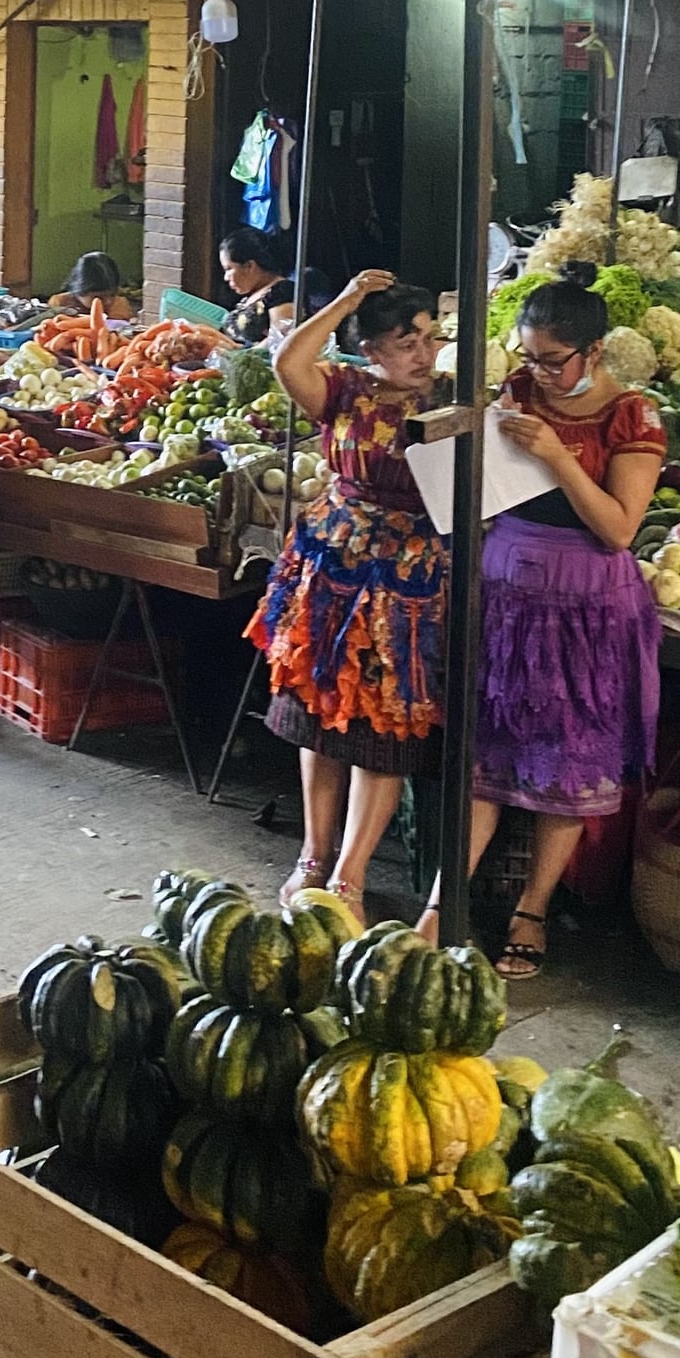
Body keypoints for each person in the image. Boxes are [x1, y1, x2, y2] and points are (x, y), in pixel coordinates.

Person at [427, 260, 665, 975]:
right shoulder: (522, 390)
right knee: (484, 749)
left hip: (586, 601)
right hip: (507, 588)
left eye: (554, 361)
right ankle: (445, 901)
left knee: (566, 759)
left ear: (595, 352)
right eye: (529, 357)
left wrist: (560, 456)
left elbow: (619, 527)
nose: (539, 373)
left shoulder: (635, 415)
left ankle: (533, 907)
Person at [249, 271, 446, 918]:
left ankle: (350, 875)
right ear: (372, 352)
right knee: (321, 716)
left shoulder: (452, 403)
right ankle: (313, 852)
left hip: (408, 589)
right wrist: (348, 300)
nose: (425, 352)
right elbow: (287, 359)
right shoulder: (345, 390)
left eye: (430, 336)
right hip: (331, 571)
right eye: (406, 342)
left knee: (384, 728)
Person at [220, 226, 297, 345]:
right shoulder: (252, 294)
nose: (226, 277)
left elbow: (282, 339)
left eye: (229, 269)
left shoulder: (282, 292)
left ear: (249, 266)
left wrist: (240, 354)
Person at [48, 251, 137, 320]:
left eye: (113, 294)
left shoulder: (120, 305)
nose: (108, 302)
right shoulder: (60, 304)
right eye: (99, 297)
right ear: (79, 292)